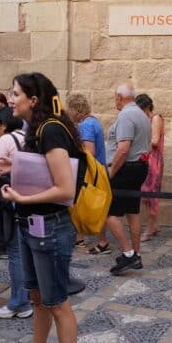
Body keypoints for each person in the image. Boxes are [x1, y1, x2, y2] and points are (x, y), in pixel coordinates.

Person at [0, 72, 80, 343]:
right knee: (38, 298)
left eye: (15, 94)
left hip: (50, 228)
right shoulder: (37, 130)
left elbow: (65, 190)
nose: (10, 98)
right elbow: (41, 175)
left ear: (33, 99)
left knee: (58, 302)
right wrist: (12, 172)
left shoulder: (51, 130)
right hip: (32, 225)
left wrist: (20, 196)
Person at [101, 83, 152, 275]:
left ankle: (128, 253)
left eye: (115, 97)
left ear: (120, 97)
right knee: (132, 210)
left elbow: (123, 149)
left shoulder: (125, 115)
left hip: (126, 168)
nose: (115, 101)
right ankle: (136, 253)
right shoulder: (142, 115)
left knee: (108, 211)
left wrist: (111, 172)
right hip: (139, 167)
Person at [0, 107, 33, 319]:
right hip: (30, 198)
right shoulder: (27, 136)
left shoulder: (6, 140)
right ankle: (28, 296)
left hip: (12, 198)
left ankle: (19, 303)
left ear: (3, 124)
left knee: (15, 251)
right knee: (27, 249)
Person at [66, 93, 107, 249]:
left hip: (91, 173)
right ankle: (81, 237)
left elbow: (89, 151)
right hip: (99, 170)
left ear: (76, 109)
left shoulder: (86, 125)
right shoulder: (94, 121)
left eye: (70, 110)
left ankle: (100, 241)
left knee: (89, 205)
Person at [136, 93, 165, 242]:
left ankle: (149, 229)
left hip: (153, 160)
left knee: (151, 194)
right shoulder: (150, 119)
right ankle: (154, 225)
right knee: (147, 195)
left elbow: (154, 141)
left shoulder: (155, 118)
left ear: (146, 108)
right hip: (150, 159)